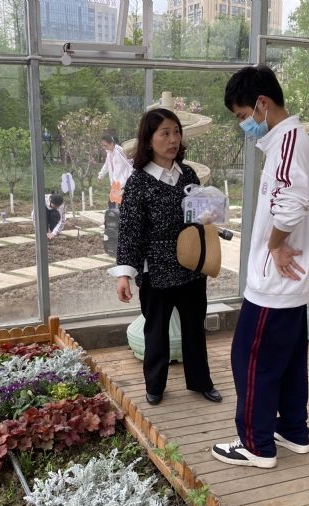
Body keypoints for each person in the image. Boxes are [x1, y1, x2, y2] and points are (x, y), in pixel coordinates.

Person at [211, 65, 309, 469]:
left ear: (262, 103)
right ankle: (292, 430)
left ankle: (256, 444)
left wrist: (274, 246)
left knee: (250, 360)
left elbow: (291, 204)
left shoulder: (287, 143)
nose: (244, 124)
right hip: (289, 283)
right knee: (288, 360)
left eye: (243, 115)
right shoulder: (292, 141)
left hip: (275, 283)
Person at [109, 108, 222, 406]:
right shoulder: (138, 182)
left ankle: (201, 382)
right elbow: (130, 231)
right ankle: (155, 385)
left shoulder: (188, 174)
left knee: (194, 328)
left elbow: (199, 218)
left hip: (191, 267)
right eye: (165, 133)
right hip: (156, 271)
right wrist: (125, 274)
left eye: (176, 131)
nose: (173, 139)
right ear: (149, 139)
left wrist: (210, 212)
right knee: (156, 332)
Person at [98, 134, 133, 208]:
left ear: (112, 143)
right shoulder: (109, 152)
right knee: (113, 204)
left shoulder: (120, 151)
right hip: (115, 183)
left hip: (123, 182)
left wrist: (129, 179)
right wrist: (101, 175)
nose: (104, 148)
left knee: (118, 205)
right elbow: (106, 165)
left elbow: (130, 164)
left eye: (106, 145)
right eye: (103, 146)